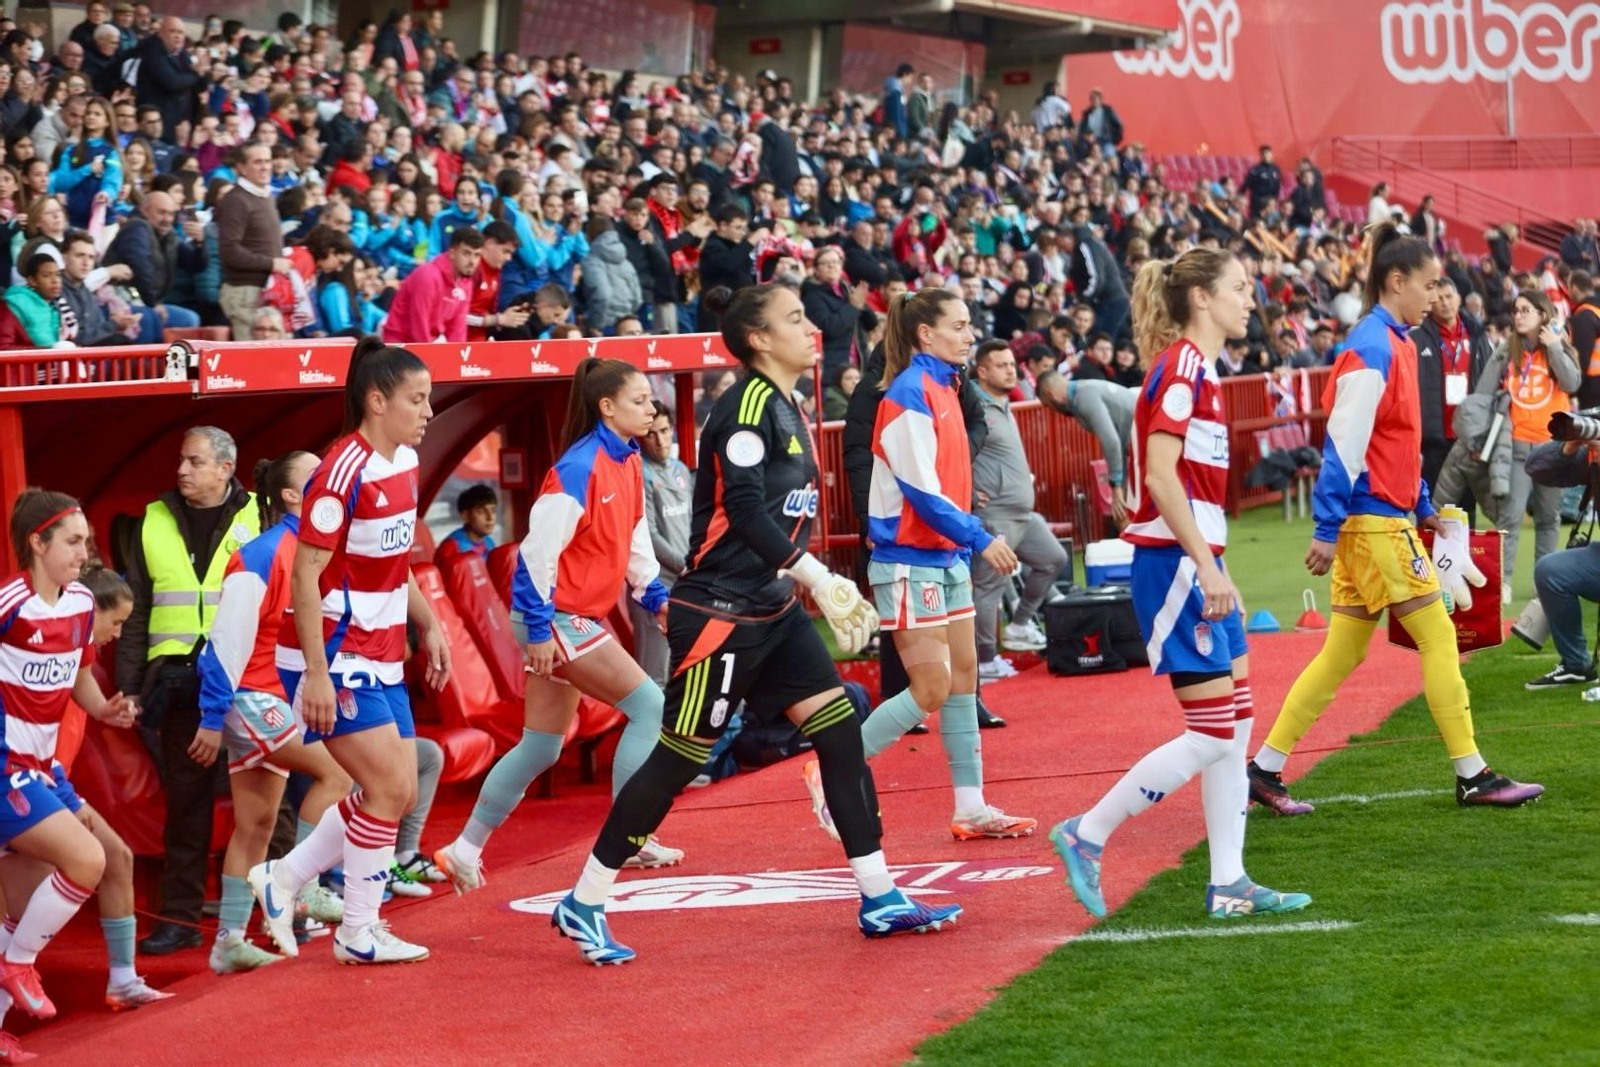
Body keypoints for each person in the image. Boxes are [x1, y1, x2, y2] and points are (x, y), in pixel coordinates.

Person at [549, 284, 955, 965]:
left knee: (840, 734)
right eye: (794, 318)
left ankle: (879, 895)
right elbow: (742, 509)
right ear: (760, 339)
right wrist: (819, 576)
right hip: (720, 611)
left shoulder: (790, 405)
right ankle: (584, 899)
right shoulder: (745, 406)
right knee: (680, 758)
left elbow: (781, 517)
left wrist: (812, 582)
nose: (810, 329)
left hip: (772, 606)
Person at [1247, 224, 1544, 815]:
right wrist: (1329, 527)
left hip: (1380, 520)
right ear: (1396, 281)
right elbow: (1344, 443)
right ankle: (1473, 774)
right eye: (1430, 285)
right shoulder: (1377, 345)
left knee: (1341, 654)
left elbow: (1392, 444)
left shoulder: (1396, 341)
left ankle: (1264, 769)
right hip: (1374, 525)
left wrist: (1425, 507)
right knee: (1437, 636)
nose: (1437, 295)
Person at [1050, 248, 1310, 923]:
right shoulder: (1183, 369)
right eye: (1239, 287)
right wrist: (1207, 561)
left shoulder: (1201, 368)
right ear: (1201, 298)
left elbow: (1188, 486)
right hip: (1174, 564)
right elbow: (1161, 480)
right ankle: (1088, 831)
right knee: (1214, 728)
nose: (1250, 298)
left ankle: (1230, 880)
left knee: (1240, 715)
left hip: (1197, 561)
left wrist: (1218, 562)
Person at [434, 358, 684, 893]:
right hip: (556, 617)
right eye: (640, 400)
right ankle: (630, 836)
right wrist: (542, 632)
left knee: (541, 747)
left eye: (651, 399)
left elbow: (635, 537)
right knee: (648, 706)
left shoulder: (631, 459)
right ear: (607, 407)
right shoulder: (579, 468)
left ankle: (463, 848)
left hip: (568, 617)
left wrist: (653, 595)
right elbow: (534, 556)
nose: (651, 408)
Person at [248, 338, 453, 966]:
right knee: (388, 787)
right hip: (335, 654)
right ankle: (354, 928)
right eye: (417, 400)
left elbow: (396, 565)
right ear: (376, 399)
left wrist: (432, 624)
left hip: (383, 648)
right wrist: (314, 672)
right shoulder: (341, 471)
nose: (428, 412)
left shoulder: (404, 462)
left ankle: (286, 881)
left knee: (397, 792)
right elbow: (305, 577)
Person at [831, 287, 1036, 840]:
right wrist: (979, 535)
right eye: (961, 325)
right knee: (930, 688)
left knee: (964, 677)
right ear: (927, 333)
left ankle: (971, 807)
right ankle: (836, 773)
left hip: (941, 555)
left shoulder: (946, 386)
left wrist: (966, 535)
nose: (971, 334)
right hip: (906, 559)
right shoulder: (907, 393)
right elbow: (921, 493)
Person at [192, 451, 350, 974]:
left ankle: (229, 942)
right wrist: (212, 720)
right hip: (248, 697)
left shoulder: (311, 551)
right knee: (339, 771)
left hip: (270, 700)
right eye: (315, 474)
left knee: (256, 825)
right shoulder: (262, 554)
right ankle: (299, 888)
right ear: (289, 495)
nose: (329, 478)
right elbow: (222, 645)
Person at [117, 426, 260, 956]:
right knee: (187, 804)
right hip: (176, 685)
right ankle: (178, 920)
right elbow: (134, 613)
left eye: (194, 461)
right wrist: (130, 687)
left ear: (226, 467)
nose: (181, 470)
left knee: (266, 798)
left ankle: (274, 905)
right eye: (181, 460)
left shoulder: (256, 513)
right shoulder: (154, 519)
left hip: (248, 677)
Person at [0, 563, 170, 1011]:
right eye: (115, 622)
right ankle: (26, 968)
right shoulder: (46, 653)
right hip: (25, 780)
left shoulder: (78, 674)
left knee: (112, 858)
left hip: (42, 779)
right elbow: (33, 741)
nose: (116, 634)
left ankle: (122, 978)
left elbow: (49, 748)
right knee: (67, 876)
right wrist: (69, 799)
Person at [0, 492, 131, 1059]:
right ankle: (18, 965)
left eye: (86, 540)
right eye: (73, 541)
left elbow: (78, 676)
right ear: (38, 542)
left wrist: (103, 710)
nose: (85, 552)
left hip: (38, 771)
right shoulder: (9, 603)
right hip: (6, 770)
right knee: (89, 860)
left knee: (21, 910)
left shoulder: (80, 602)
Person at [969, 341, 1068, 675]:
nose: (1010, 370)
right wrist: (967, 493)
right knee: (989, 586)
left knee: (1054, 559)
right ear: (981, 372)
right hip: (995, 513)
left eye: (1012, 364)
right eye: (1001, 365)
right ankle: (984, 661)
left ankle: (1020, 624)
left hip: (1023, 514)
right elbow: (949, 452)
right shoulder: (972, 406)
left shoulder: (1004, 403)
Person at [1413, 275, 1491, 525]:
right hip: (1435, 439)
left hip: (1469, 437)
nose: (1445, 303)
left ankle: (1466, 563)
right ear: (1430, 302)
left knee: (1468, 510)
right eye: (1439, 298)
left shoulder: (1478, 338)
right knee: (1433, 508)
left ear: (1459, 299)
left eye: (1449, 297)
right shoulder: (1417, 339)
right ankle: (1430, 563)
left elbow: (1491, 381)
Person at [634, 400, 693, 687]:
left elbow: (694, 522)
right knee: (655, 674)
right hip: (656, 586)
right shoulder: (638, 474)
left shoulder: (681, 471)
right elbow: (650, 536)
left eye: (665, 431)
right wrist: (688, 565)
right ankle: (651, 733)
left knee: (687, 667)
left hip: (688, 583)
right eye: (652, 434)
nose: (660, 440)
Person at [1034, 369, 1137, 525]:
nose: (1052, 410)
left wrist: (1116, 485)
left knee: (1124, 516)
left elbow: (1111, 441)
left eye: (1047, 405)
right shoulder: (1085, 390)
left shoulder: (1083, 396)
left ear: (1049, 394)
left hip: (1146, 448)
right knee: (1123, 515)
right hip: (1141, 448)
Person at [216, 144, 292, 340]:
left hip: (268, 292)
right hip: (245, 295)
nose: (265, 167)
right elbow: (229, 250)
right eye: (257, 162)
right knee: (253, 362)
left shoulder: (266, 196)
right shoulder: (236, 200)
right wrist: (271, 263)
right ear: (241, 167)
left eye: (267, 161)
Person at [380, 225, 483, 343]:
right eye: (466, 253)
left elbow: (457, 329)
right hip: (399, 342)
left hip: (431, 341)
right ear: (452, 253)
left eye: (477, 255)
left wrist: (457, 358)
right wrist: (429, 357)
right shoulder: (428, 276)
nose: (472, 261)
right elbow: (419, 324)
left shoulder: (466, 283)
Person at [434, 483, 498, 566]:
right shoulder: (452, 547)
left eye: (493, 511)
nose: (490, 518)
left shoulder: (489, 542)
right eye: (481, 512)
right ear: (465, 516)